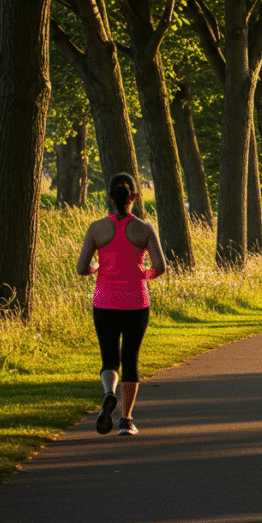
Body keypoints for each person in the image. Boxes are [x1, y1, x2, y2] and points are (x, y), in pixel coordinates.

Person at [77, 173, 167, 436]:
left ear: (110, 197)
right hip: (136, 301)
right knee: (130, 359)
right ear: (134, 197)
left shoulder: (96, 228)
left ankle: (109, 393)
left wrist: (96, 268)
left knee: (109, 357)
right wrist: (143, 275)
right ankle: (126, 421)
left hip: (104, 301)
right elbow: (160, 266)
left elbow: (82, 268)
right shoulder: (145, 228)